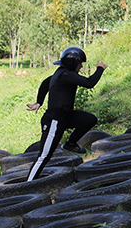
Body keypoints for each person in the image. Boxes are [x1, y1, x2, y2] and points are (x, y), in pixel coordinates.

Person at [26, 47, 106, 182]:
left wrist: (39, 102)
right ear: (72, 63)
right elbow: (89, 83)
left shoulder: (62, 74)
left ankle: (70, 143)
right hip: (54, 120)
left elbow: (45, 83)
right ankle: (26, 185)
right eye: (80, 63)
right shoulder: (66, 75)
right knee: (44, 156)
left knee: (89, 119)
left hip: (66, 116)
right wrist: (100, 69)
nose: (81, 66)